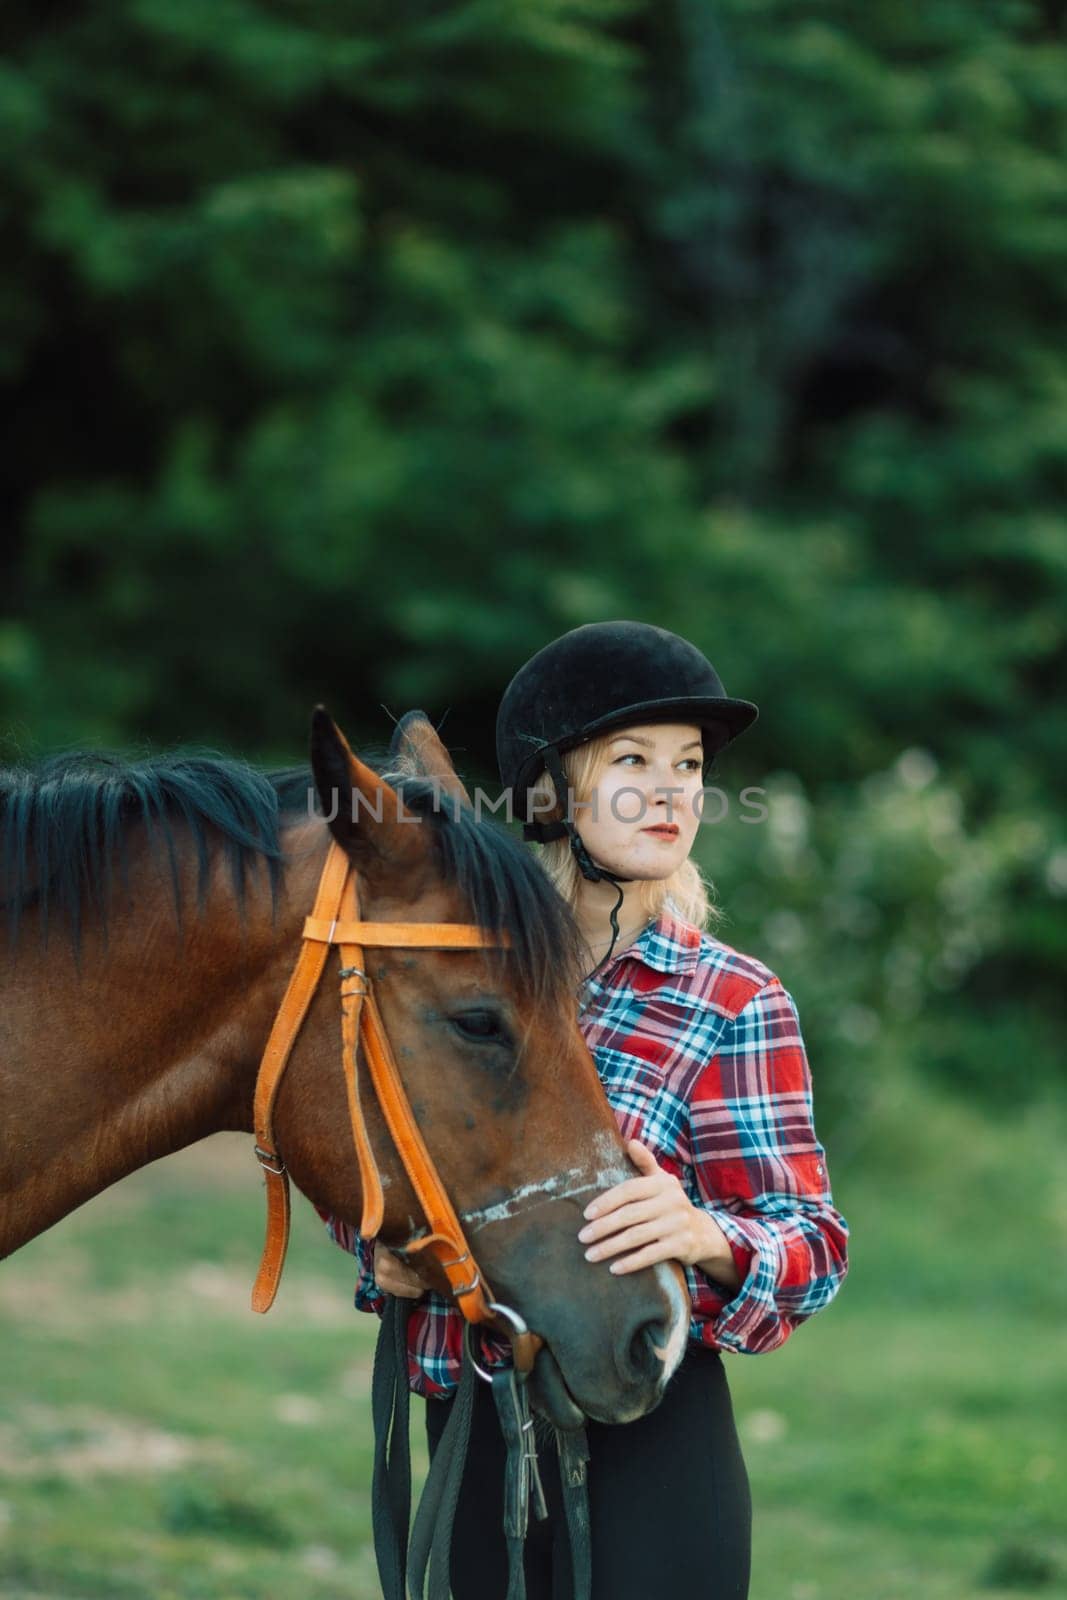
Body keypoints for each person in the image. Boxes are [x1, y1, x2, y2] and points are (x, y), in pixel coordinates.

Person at [323, 620, 849, 1600]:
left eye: (688, 764)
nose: (670, 790)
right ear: (548, 792)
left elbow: (809, 1244)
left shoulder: (730, 998)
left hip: (653, 1434)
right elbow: (372, 1158)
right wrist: (384, 1240)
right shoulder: (462, 982)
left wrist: (703, 1234)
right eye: (631, 760)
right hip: (476, 1415)